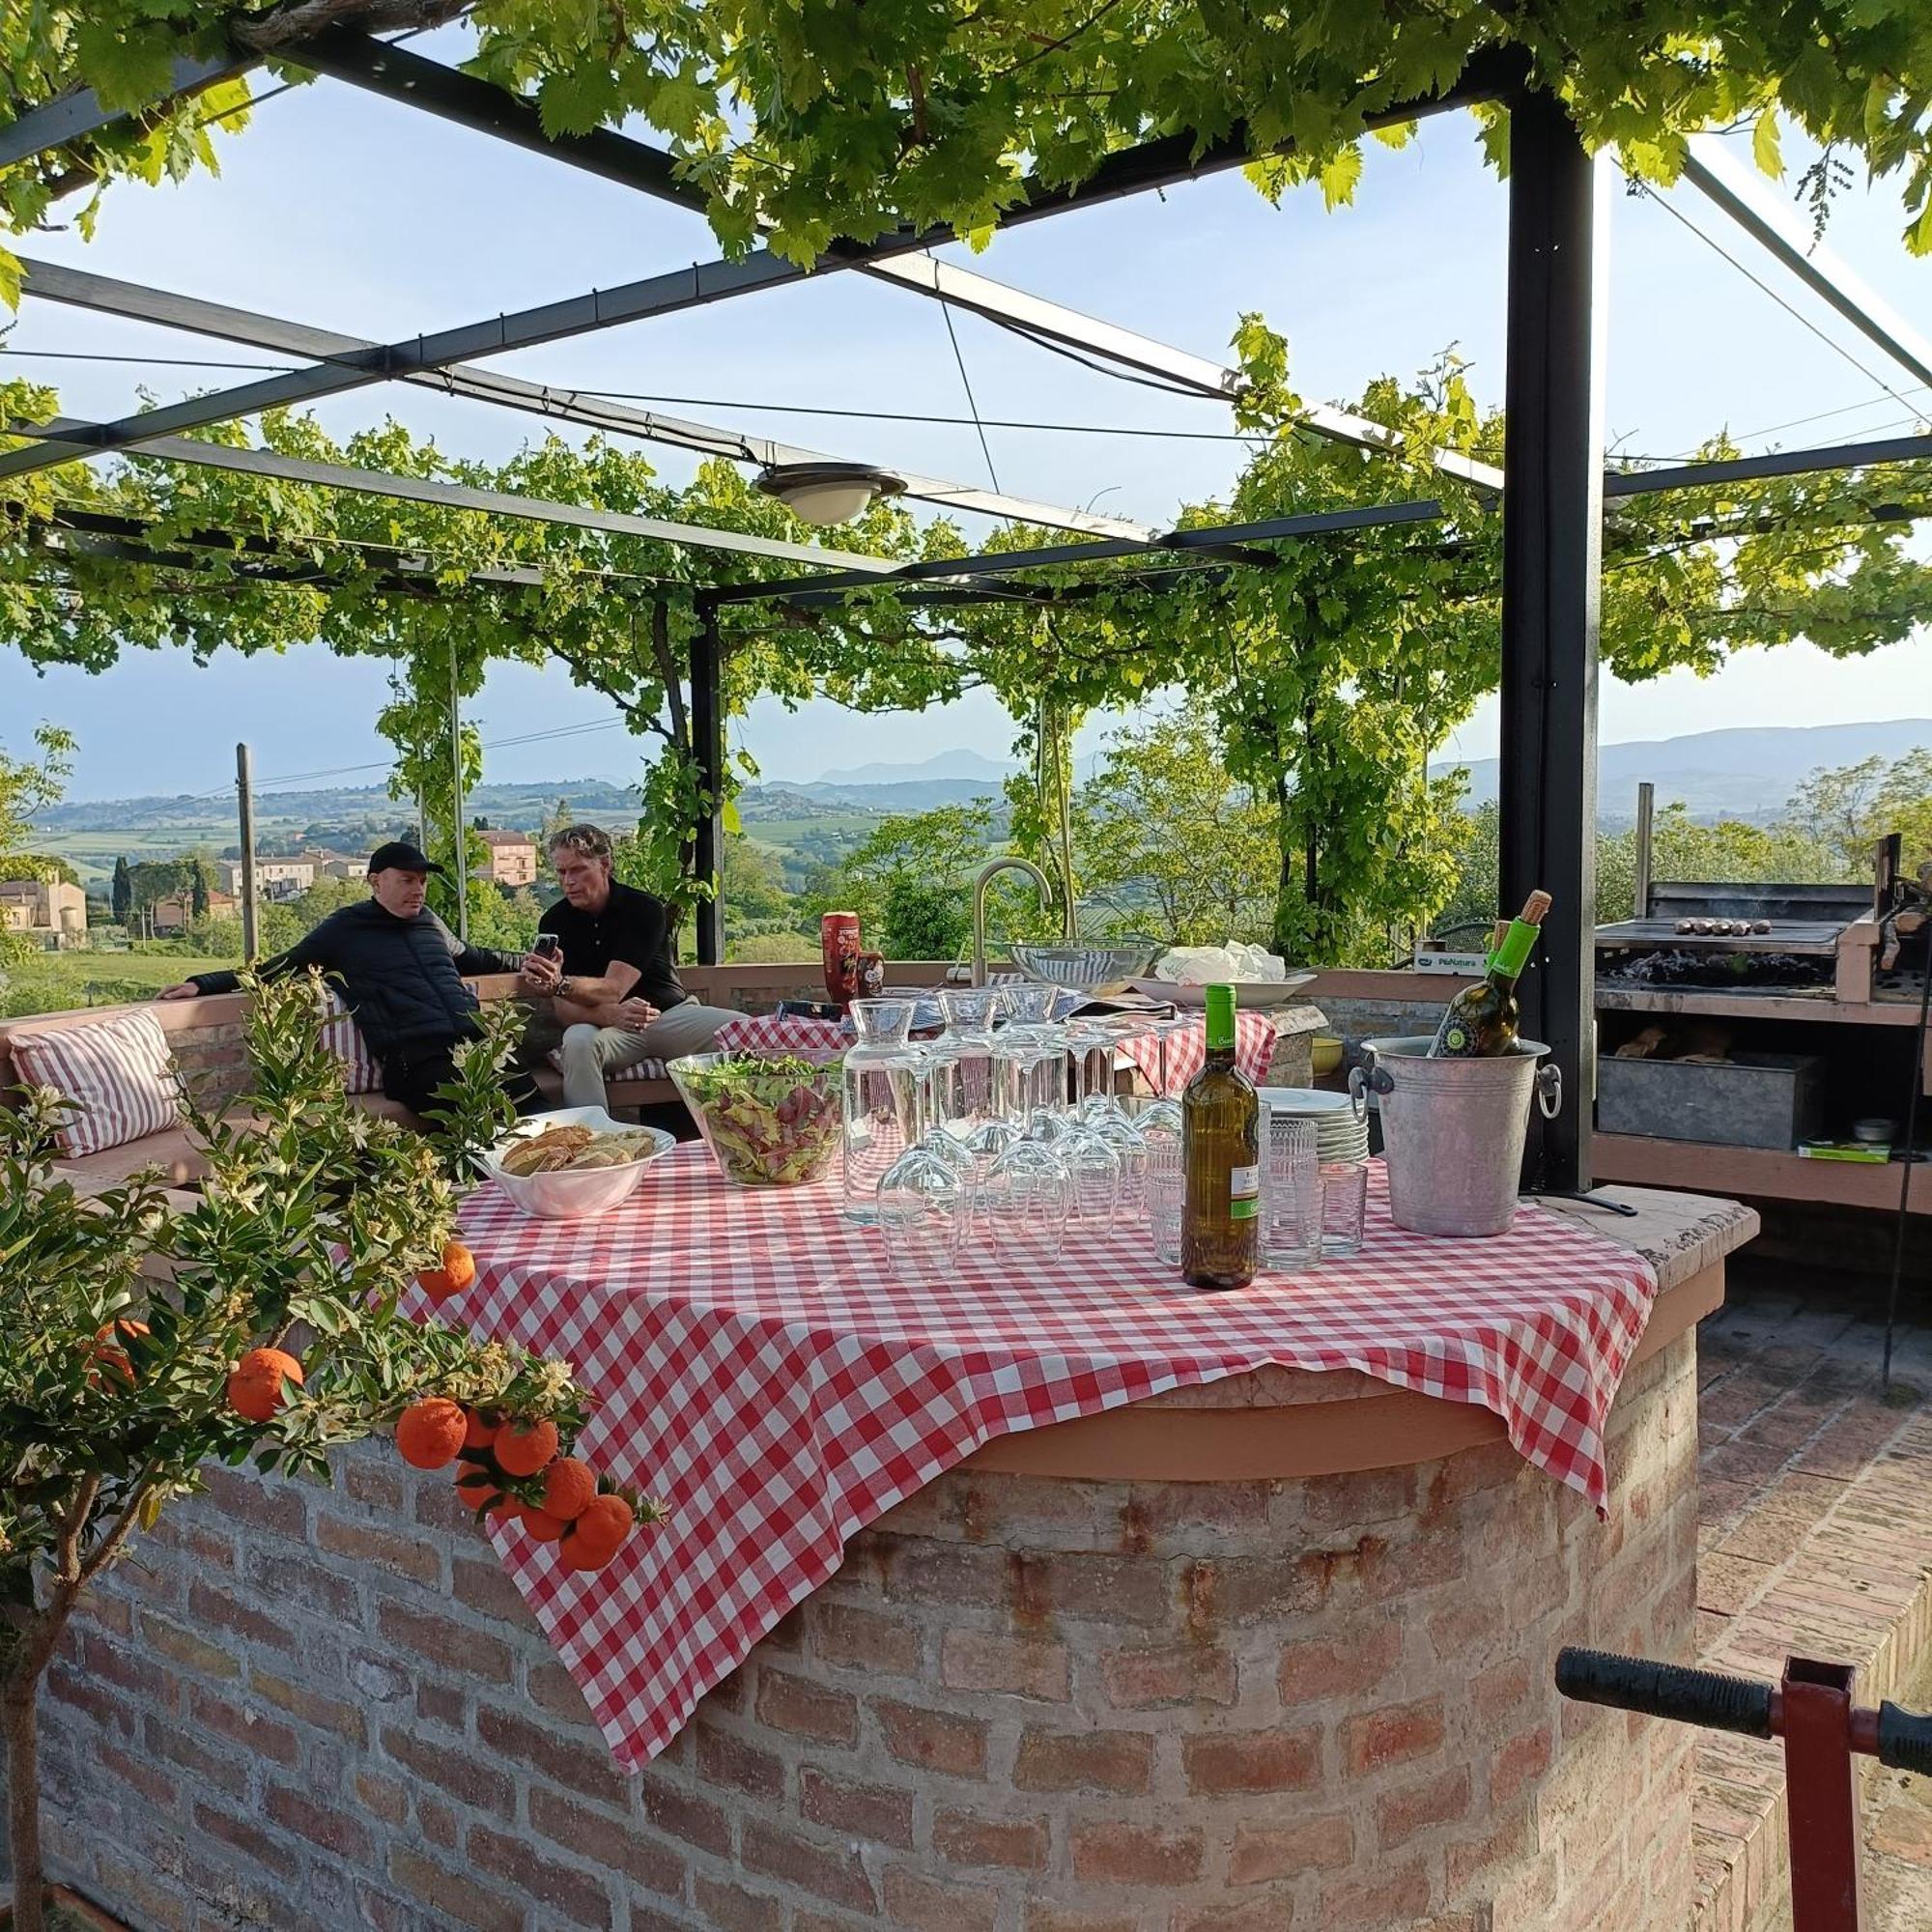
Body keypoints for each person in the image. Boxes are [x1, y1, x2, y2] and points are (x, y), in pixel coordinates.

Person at [158, 841, 555, 1119]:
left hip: (477, 1047)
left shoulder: (430, 923)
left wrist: (532, 960)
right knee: (490, 1132)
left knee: (546, 1119)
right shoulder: (346, 929)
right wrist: (203, 983)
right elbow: (280, 968)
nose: (418, 889)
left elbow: (477, 957)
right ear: (375, 881)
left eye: (422, 881)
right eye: (407, 880)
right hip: (418, 1062)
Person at [521, 824, 736, 1108]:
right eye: (562, 872)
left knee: (746, 1031)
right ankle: (594, 1139)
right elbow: (564, 1013)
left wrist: (560, 984)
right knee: (577, 1040)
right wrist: (610, 1016)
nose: (567, 881)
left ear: (605, 864)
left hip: (669, 1016)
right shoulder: (555, 921)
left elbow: (613, 988)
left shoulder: (642, 908)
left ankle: (758, 1132)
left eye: (577, 870)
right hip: (607, 1030)